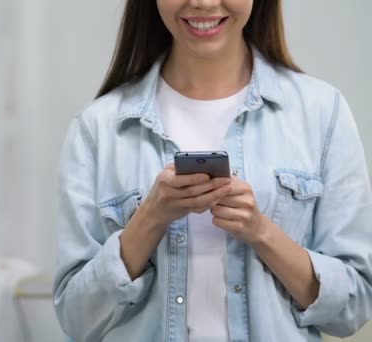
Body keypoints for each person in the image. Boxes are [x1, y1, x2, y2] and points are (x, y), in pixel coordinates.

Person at [52, 0, 372, 341]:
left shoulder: (322, 113)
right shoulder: (97, 129)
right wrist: (149, 219)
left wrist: (261, 231)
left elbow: (355, 306)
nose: (203, 3)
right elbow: (76, 318)